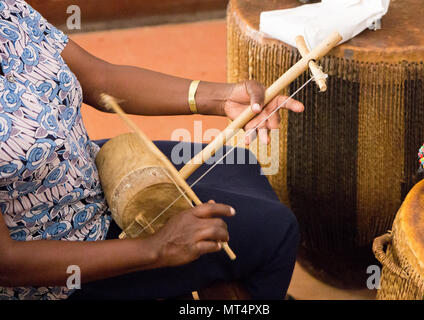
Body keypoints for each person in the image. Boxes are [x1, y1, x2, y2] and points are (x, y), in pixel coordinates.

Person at [0, 0, 302, 300]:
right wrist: (157, 248)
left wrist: (221, 99)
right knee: (278, 232)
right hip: (67, 258)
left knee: (240, 164)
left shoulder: (8, 11)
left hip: (93, 171)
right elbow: (7, 263)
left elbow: (98, 78)